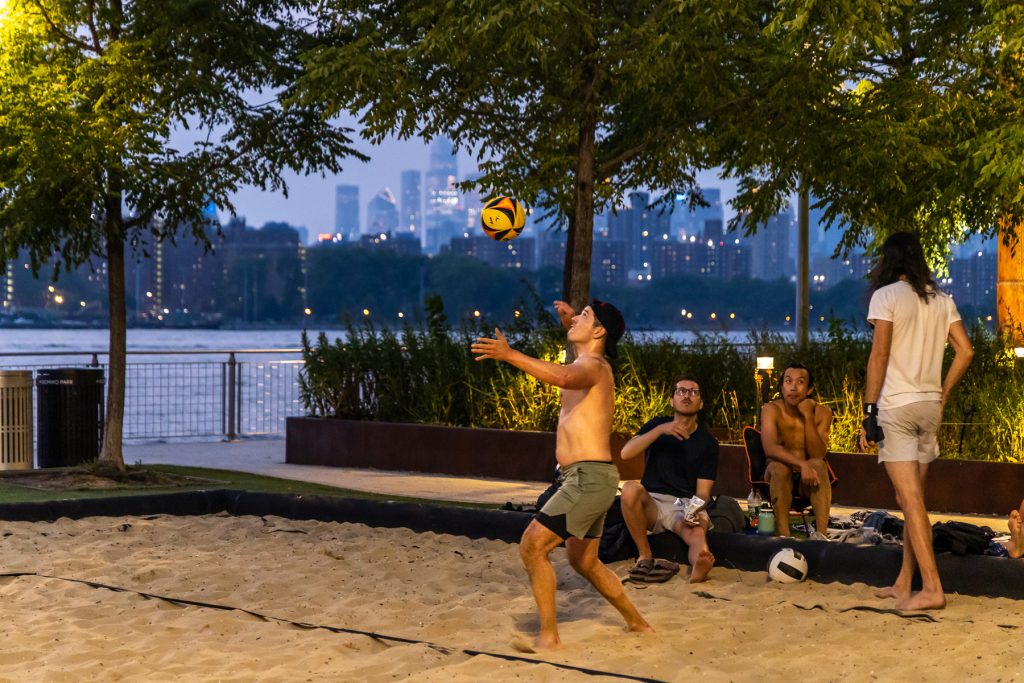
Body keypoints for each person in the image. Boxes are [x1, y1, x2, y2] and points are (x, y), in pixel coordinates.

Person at [471, 299, 652, 650]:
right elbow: (575, 360)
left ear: (599, 331)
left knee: (532, 546)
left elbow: (565, 377)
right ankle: (638, 624)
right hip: (585, 478)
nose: (575, 318)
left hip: (589, 478)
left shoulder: (595, 366)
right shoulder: (589, 358)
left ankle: (549, 637)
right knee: (584, 561)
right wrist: (573, 321)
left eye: (586, 316)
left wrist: (509, 354)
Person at [859, 231, 974, 611]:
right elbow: (965, 352)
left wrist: (868, 410)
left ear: (888, 261)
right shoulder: (942, 300)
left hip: (897, 406)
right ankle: (905, 581)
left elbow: (879, 357)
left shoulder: (886, 296)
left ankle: (933, 589)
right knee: (913, 501)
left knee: (908, 499)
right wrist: (943, 392)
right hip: (929, 407)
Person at [618, 377, 719, 583]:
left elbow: (703, 492)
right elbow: (626, 453)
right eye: (681, 391)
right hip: (652, 502)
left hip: (682, 503)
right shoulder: (657, 424)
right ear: (672, 400)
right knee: (629, 489)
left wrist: (694, 509)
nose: (687, 396)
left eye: (693, 392)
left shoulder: (708, 443)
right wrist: (660, 430)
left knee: (696, 534)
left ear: (701, 403)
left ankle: (699, 567)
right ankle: (645, 555)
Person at [760, 363, 834, 539]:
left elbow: (818, 454)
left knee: (818, 464)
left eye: (800, 382)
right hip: (776, 475)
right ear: (782, 386)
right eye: (788, 381)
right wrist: (802, 464)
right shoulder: (771, 410)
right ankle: (784, 535)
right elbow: (770, 448)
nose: (793, 387)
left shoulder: (823, 412)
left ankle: (821, 537)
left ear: (809, 389)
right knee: (780, 467)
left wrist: (808, 415)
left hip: (807, 479)